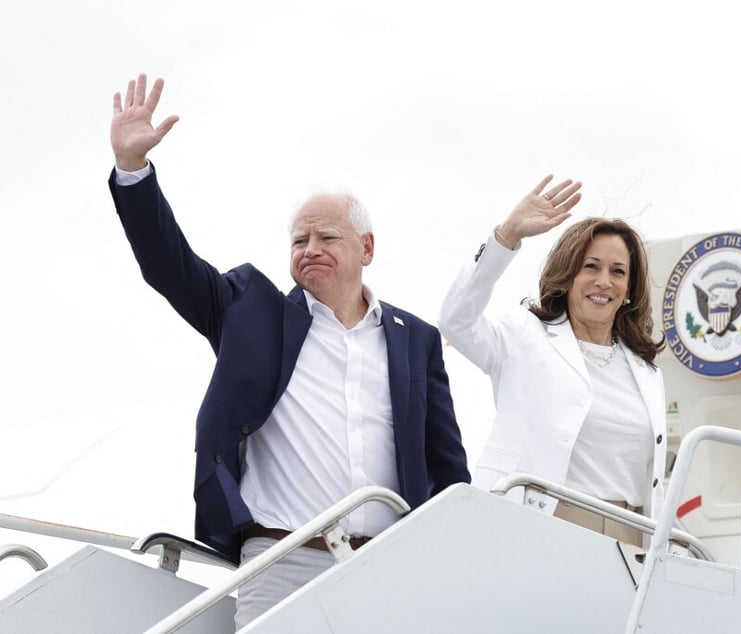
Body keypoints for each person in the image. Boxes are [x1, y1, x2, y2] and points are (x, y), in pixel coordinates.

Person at [108, 74, 470, 628]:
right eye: (300, 240)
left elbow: (446, 466)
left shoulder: (415, 339)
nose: (311, 250)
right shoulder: (251, 309)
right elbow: (169, 266)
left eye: (328, 237)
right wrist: (133, 172)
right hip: (280, 561)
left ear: (366, 248)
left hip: (390, 567)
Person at [439, 175, 667, 545]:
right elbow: (456, 320)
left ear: (629, 288)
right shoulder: (523, 337)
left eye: (618, 271)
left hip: (631, 531)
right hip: (545, 523)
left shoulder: (646, 369)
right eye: (591, 266)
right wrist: (507, 235)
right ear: (567, 275)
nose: (604, 281)